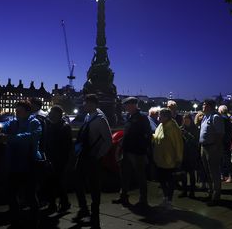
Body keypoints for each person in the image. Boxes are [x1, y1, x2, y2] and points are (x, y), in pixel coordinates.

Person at [0, 100, 42, 228]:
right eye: (16, 111)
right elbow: (4, 124)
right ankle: (15, 221)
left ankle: (34, 221)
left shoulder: (35, 122)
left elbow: (31, 137)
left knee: (30, 195)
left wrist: (10, 138)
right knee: (11, 195)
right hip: (14, 163)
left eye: (19, 111)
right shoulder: (14, 121)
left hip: (29, 163)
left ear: (27, 112)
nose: (16, 113)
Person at [73, 94, 112, 228]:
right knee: (78, 181)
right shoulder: (88, 117)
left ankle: (94, 211)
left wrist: (98, 155)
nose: (84, 105)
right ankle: (84, 207)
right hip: (84, 155)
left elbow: (108, 140)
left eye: (87, 103)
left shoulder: (101, 119)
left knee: (94, 186)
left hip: (93, 157)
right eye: (85, 103)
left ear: (94, 104)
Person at [112, 97, 152, 208]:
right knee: (124, 175)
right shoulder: (130, 117)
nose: (125, 107)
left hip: (137, 152)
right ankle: (123, 196)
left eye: (127, 105)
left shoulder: (142, 118)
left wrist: (143, 148)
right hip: (127, 150)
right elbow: (127, 133)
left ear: (134, 105)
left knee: (140, 176)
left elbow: (148, 135)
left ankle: (143, 200)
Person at [152, 108, 184, 209]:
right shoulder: (161, 125)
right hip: (160, 159)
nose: (158, 117)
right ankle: (166, 198)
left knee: (169, 181)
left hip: (169, 160)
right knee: (162, 180)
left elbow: (178, 144)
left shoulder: (173, 128)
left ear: (165, 117)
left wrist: (179, 159)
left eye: (160, 115)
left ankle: (168, 200)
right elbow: (156, 137)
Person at [44, 105, 72, 213]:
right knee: (51, 182)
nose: (50, 114)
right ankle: (57, 203)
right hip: (50, 157)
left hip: (59, 160)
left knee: (57, 182)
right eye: (50, 113)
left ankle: (61, 203)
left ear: (58, 115)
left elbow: (67, 146)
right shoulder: (50, 125)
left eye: (52, 113)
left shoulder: (64, 127)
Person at [199, 99, 224, 206]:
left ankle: (216, 196)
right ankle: (210, 192)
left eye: (204, 105)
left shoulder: (215, 117)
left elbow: (220, 134)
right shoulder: (205, 117)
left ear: (209, 106)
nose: (202, 106)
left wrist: (215, 147)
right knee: (207, 172)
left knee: (214, 172)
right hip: (204, 147)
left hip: (211, 147)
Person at [179, 113, 199, 198]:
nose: (186, 121)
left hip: (191, 154)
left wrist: (186, 134)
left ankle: (192, 191)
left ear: (191, 120)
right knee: (183, 174)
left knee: (191, 174)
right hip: (183, 154)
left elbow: (195, 141)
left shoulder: (195, 129)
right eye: (184, 119)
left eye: (187, 119)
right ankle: (184, 191)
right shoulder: (180, 128)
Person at [218, 105, 232, 183]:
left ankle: (226, 176)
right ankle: (227, 175)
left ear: (220, 111)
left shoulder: (222, 119)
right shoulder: (228, 119)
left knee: (224, 159)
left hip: (223, 141)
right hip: (227, 140)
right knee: (226, 159)